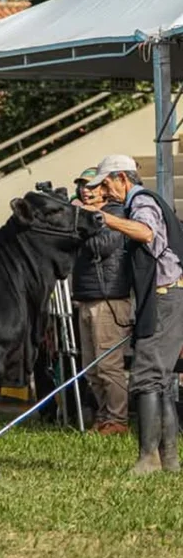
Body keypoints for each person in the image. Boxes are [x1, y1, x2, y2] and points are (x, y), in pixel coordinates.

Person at [86, 155, 183, 474]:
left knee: (146, 377)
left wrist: (102, 217)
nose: (104, 191)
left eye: (106, 183)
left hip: (165, 296)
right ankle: (169, 460)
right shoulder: (142, 201)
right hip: (168, 296)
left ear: (122, 178)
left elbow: (145, 233)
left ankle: (148, 459)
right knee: (160, 380)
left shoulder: (141, 201)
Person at [70, 167, 131, 435]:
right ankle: (105, 416)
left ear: (104, 189)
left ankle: (118, 420)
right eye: (82, 185)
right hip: (86, 297)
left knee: (108, 365)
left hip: (109, 300)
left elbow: (100, 247)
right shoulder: (87, 217)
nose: (86, 190)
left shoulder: (116, 214)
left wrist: (82, 218)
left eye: (91, 186)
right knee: (91, 368)